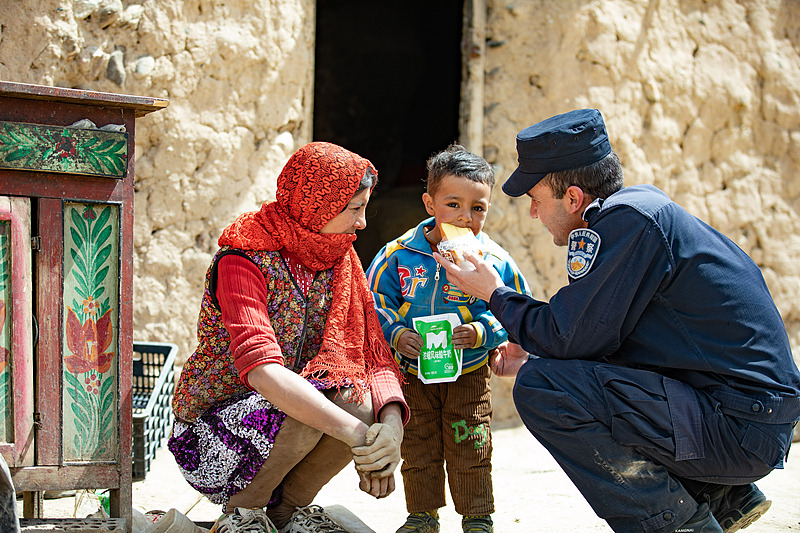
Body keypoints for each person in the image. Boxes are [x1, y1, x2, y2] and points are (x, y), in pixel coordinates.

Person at [434, 109, 800, 533]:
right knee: (554, 372)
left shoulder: (626, 223)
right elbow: (592, 338)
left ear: (572, 198)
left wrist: (494, 293)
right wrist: (536, 344)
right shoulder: (637, 212)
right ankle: (716, 495)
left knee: (542, 388)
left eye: (536, 200)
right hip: (743, 417)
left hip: (738, 426)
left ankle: (674, 524)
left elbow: (566, 336)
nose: (533, 214)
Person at [168, 141, 409, 533]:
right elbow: (263, 372)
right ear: (319, 205)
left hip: (291, 412)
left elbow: (374, 356)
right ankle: (242, 515)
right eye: (354, 209)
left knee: (358, 400)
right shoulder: (243, 257)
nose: (362, 222)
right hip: (212, 433)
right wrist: (360, 437)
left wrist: (388, 433)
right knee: (317, 408)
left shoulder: (340, 258)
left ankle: (287, 513)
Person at [366, 143, 531, 533]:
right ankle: (422, 516)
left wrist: (480, 332)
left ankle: (477, 517)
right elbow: (372, 298)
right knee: (419, 444)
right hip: (414, 373)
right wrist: (397, 332)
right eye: (452, 205)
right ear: (429, 203)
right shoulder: (399, 254)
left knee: (471, 442)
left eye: (478, 208)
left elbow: (515, 311)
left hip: (469, 373)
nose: (465, 217)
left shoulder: (494, 261)